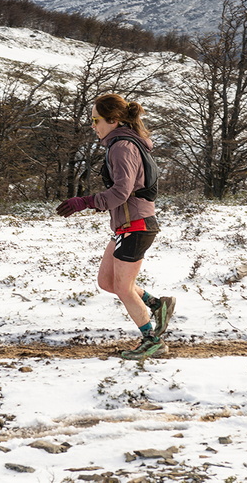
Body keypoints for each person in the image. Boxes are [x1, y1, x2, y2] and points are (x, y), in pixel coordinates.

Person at [56, 93, 175, 360]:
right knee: (107, 282)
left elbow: (121, 192)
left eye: (95, 119)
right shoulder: (121, 144)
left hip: (137, 225)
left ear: (113, 119)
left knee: (123, 287)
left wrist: (84, 202)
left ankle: (152, 341)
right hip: (127, 225)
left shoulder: (122, 146)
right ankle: (158, 304)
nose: (92, 125)